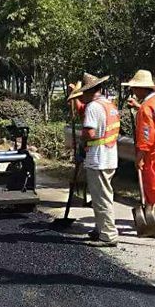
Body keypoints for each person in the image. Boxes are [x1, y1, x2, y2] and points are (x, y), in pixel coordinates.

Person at [69, 73, 120, 247]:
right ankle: (100, 229)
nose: (81, 95)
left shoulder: (92, 107)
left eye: (83, 93)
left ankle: (108, 235)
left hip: (98, 158)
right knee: (103, 195)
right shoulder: (109, 105)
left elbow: (90, 132)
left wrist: (82, 144)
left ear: (89, 91)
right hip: (110, 155)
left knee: (101, 198)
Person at [124, 70, 155, 239]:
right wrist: (139, 109)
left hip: (153, 154)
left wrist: (139, 158)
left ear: (142, 89)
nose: (133, 91)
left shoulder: (146, 108)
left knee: (153, 190)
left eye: (135, 88)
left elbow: (147, 135)